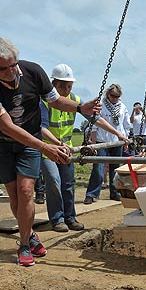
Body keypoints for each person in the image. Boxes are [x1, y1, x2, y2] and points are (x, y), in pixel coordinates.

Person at [0, 37, 102, 267]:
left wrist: (81, 108)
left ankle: (23, 244)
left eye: (13, 65)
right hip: (3, 142)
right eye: (2, 69)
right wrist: (45, 147)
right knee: (14, 195)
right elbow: (7, 126)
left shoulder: (33, 72)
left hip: (30, 143)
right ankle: (30, 233)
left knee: (25, 191)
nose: (11, 71)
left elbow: (55, 100)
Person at [40, 64, 127, 232]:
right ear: (53, 84)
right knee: (54, 182)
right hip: (48, 151)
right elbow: (41, 128)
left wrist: (118, 133)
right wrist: (58, 144)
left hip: (66, 150)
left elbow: (96, 119)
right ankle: (57, 219)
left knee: (68, 183)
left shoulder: (75, 100)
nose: (66, 90)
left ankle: (70, 218)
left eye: (69, 86)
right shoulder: (45, 101)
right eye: (62, 86)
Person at [83, 84, 130, 204]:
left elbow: (126, 125)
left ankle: (115, 193)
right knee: (98, 168)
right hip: (101, 140)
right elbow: (93, 124)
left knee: (115, 168)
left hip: (117, 141)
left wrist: (126, 140)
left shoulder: (122, 107)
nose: (115, 98)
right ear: (107, 94)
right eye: (113, 96)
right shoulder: (100, 105)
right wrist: (93, 143)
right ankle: (92, 194)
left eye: (117, 96)